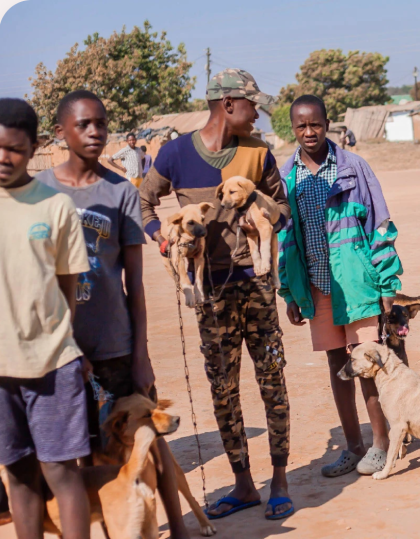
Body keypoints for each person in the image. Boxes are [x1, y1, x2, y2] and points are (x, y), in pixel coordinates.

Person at [36, 90, 192, 538]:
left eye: (101, 123)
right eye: (83, 124)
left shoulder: (121, 190)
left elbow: (134, 283)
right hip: (62, 351)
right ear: (61, 131)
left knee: (146, 445)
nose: (95, 132)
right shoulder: (39, 191)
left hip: (115, 346)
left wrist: (140, 353)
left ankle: (177, 528)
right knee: (81, 451)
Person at [139, 69, 294, 520]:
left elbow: (282, 208)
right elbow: (144, 203)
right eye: (253, 105)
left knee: (273, 383)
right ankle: (244, 484)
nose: (258, 113)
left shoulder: (258, 153)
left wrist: (262, 214)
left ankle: (279, 481)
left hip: (257, 286)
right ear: (228, 105)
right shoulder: (174, 154)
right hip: (209, 294)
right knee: (223, 390)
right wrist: (164, 239)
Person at [278, 95, 401, 477]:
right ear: (293, 130)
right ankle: (353, 446)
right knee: (338, 364)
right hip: (317, 286)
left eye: (316, 124)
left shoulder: (353, 167)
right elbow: (285, 239)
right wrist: (291, 292)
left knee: (368, 362)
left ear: (328, 123)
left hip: (359, 283)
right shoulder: (287, 177)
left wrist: (386, 281)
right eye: (301, 126)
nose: (309, 132)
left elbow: (380, 225)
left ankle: (382, 443)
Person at [0, 98, 92, 539]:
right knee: (17, 472)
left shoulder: (55, 207)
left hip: (53, 364)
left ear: (34, 147)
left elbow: (67, 287)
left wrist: (64, 343)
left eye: (15, 149)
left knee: (60, 470)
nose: (3, 157)